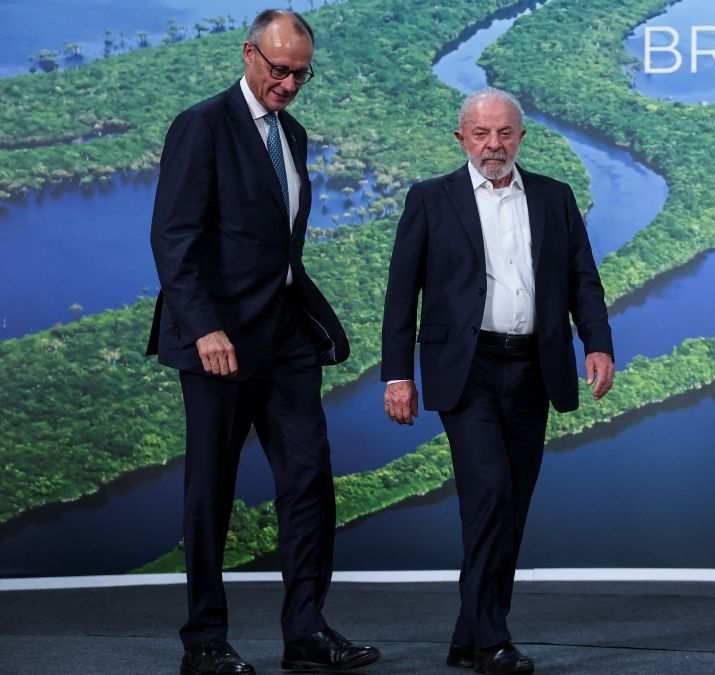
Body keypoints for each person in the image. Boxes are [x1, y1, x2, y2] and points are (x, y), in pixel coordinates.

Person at [147, 9, 379, 674]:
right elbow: (174, 237)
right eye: (279, 69)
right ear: (248, 54)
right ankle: (205, 642)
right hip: (217, 341)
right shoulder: (201, 126)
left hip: (284, 336)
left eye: (300, 73)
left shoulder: (293, 134)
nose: (289, 83)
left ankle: (306, 633)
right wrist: (204, 325)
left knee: (308, 480)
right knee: (210, 490)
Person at [381, 88, 615, 674]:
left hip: (536, 368)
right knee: (488, 497)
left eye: (504, 133)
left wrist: (599, 344)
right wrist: (395, 376)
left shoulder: (555, 198)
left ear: (521, 137)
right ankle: (492, 640)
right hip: (468, 372)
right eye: (482, 134)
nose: (494, 145)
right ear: (461, 138)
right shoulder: (431, 199)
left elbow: (583, 280)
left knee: (512, 504)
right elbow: (400, 295)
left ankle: (469, 634)